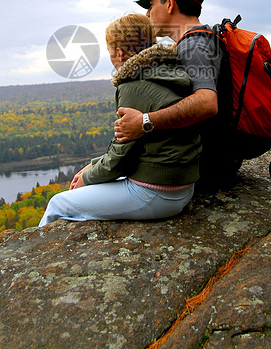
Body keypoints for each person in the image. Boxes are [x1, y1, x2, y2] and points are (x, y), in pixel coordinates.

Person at [38, 13, 202, 226]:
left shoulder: (132, 84)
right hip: (184, 186)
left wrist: (86, 179)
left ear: (119, 53)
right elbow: (133, 148)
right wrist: (92, 165)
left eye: (109, 51)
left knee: (58, 204)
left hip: (156, 193)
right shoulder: (170, 71)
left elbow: (121, 158)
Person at [113, 0, 235, 181]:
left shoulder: (194, 45)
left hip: (207, 168)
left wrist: (144, 122)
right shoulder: (200, 39)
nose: (148, 14)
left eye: (151, 5)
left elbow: (207, 103)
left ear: (170, 3)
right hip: (214, 162)